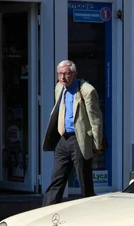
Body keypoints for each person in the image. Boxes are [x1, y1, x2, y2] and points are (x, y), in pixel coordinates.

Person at [42, 60, 104, 206]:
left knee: (84, 181)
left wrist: (96, 144)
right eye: (60, 74)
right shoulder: (59, 87)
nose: (62, 77)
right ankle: (45, 211)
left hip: (79, 139)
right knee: (57, 178)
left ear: (74, 74)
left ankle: (89, 212)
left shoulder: (87, 90)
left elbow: (96, 120)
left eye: (66, 74)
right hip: (62, 140)